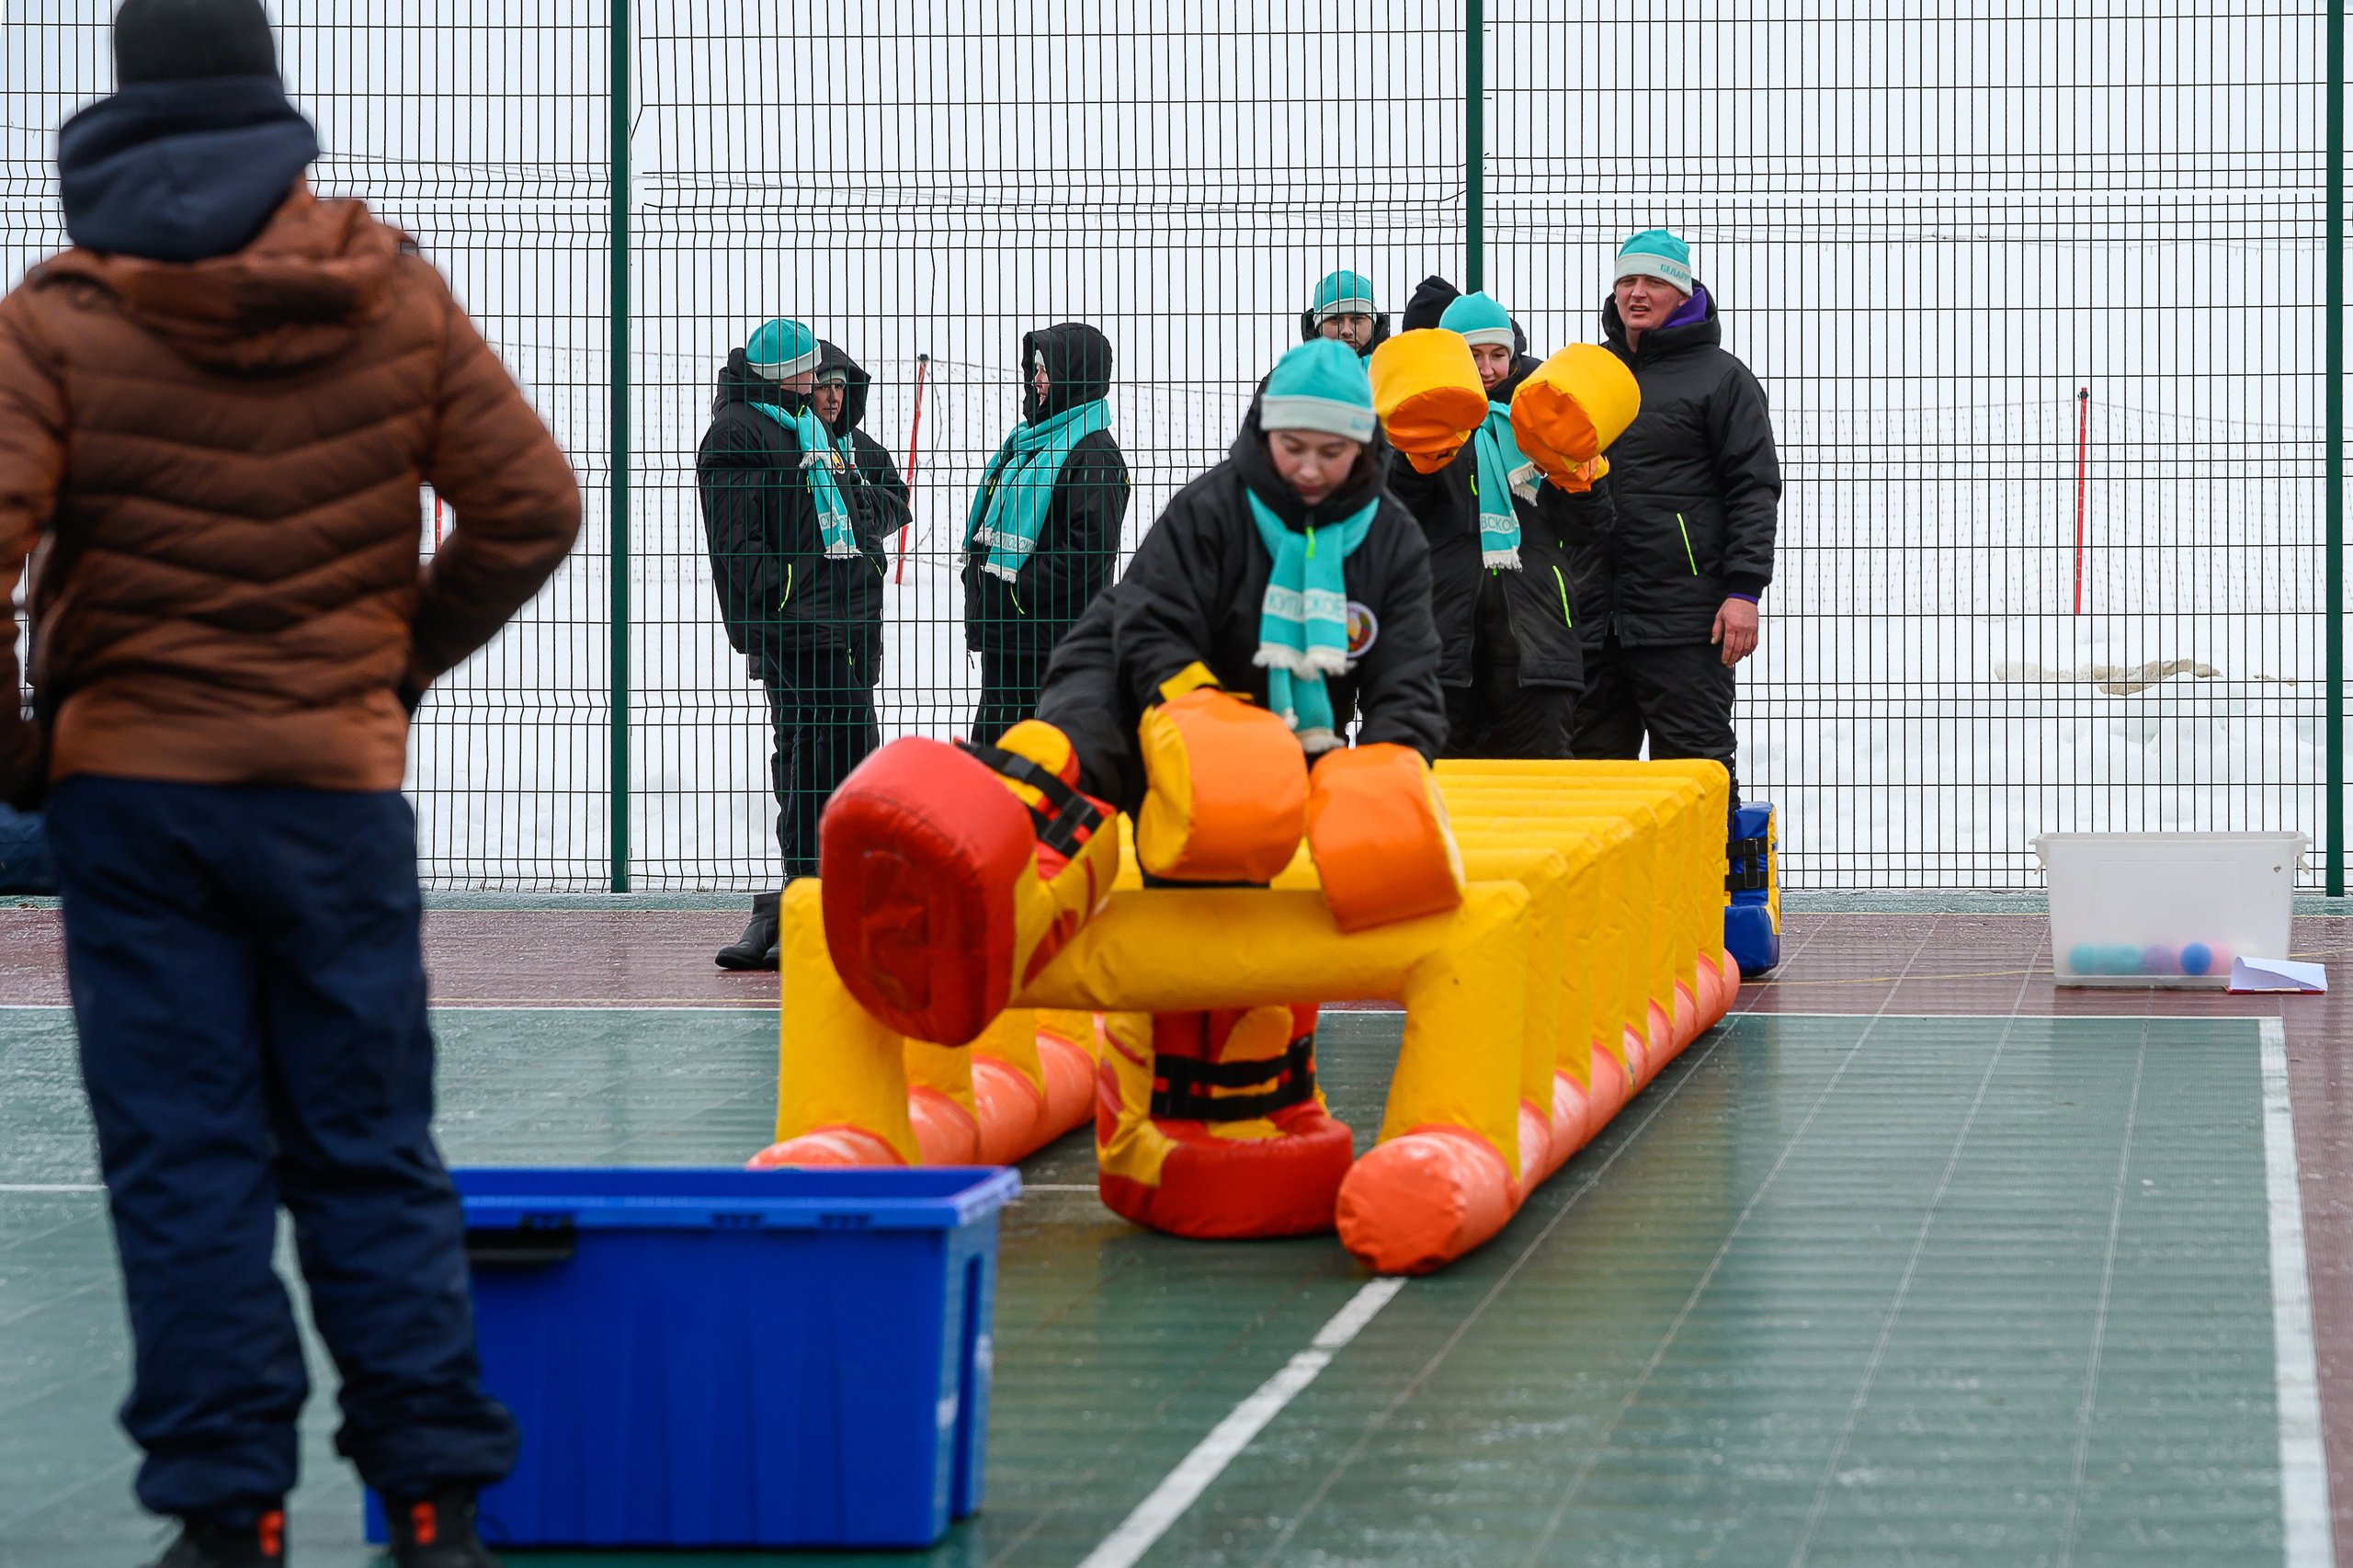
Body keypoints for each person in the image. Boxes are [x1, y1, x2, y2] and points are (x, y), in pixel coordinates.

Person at [0, 3, 583, 1564]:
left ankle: (232, 1515)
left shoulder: (57, 316)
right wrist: (389, 668)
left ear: (124, 97)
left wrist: (24, 747)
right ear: (270, 96)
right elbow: (530, 509)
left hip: (134, 799)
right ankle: (431, 1501)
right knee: (367, 1142)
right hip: (332, 795)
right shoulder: (389, 293)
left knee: (183, 1157)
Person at [1034, 337, 1445, 813]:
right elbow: (1152, 628)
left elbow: (1406, 681)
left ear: (1363, 446)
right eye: (1293, 447)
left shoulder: (1392, 539)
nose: (1310, 470)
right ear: (1267, 433)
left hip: (1286, 729)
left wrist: (1384, 780)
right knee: (1108, 755)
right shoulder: (1210, 509)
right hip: (1144, 682)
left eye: (1332, 452)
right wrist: (1214, 726)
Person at [699, 321, 894, 970]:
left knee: (845, 757)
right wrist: (780, 605)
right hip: (801, 627)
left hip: (836, 625)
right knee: (811, 767)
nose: (820, 383)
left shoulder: (805, 431)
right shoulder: (740, 434)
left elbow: (860, 515)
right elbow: (739, 545)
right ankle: (802, 904)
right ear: (785, 375)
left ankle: (818, 901)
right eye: (811, 371)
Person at [1571, 229, 1780, 802]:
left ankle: (1706, 893)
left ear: (1682, 292)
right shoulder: (1587, 374)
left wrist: (1744, 593)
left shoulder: (1722, 378)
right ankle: (1605, 898)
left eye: (1654, 282)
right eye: (1627, 281)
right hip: (1593, 619)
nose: (1637, 294)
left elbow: (1754, 489)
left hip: (1686, 618)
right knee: (1590, 781)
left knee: (1694, 774)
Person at [1382, 283, 1594, 757]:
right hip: (1441, 643)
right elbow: (1392, 521)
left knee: (1539, 799)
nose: (1487, 368)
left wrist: (1584, 478)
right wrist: (1414, 468)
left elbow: (1591, 528)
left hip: (1538, 643)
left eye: (1498, 353)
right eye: (1472, 354)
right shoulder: (1416, 421)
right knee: (1439, 798)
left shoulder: (1545, 417)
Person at [961, 323, 1129, 741]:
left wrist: (1019, 590)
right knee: (998, 754)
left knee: (1031, 759)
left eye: (1046, 368)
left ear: (1075, 374)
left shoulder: (1093, 454)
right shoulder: (1030, 443)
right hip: (1014, 635)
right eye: (1034, 368)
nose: (1036, 379)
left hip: (1046, 640)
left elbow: (1091, 548)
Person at [1298, 268, 1389, 358]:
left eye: (1357, 319)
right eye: (1335, 319)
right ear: (1317, 326)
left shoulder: (1397, 369)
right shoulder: (1297, 371)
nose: (1346, 331)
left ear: (1373, 323)